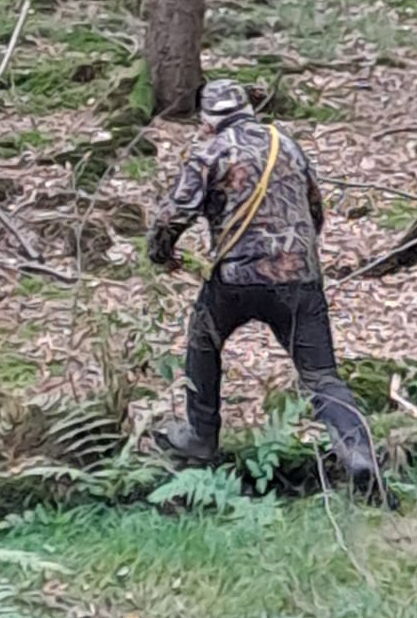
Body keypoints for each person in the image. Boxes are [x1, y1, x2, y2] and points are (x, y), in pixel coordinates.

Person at [147, 79, 378, 493]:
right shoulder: (285, 145)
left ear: (207, 120)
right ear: (247, 110)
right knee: (322, 376)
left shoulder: (208, 152)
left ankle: (200, 436)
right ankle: (357, 452)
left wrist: (160, 254)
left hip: (236, 280)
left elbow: (172, 216)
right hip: (300, 279)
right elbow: (315, 210)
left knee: (203, 343)